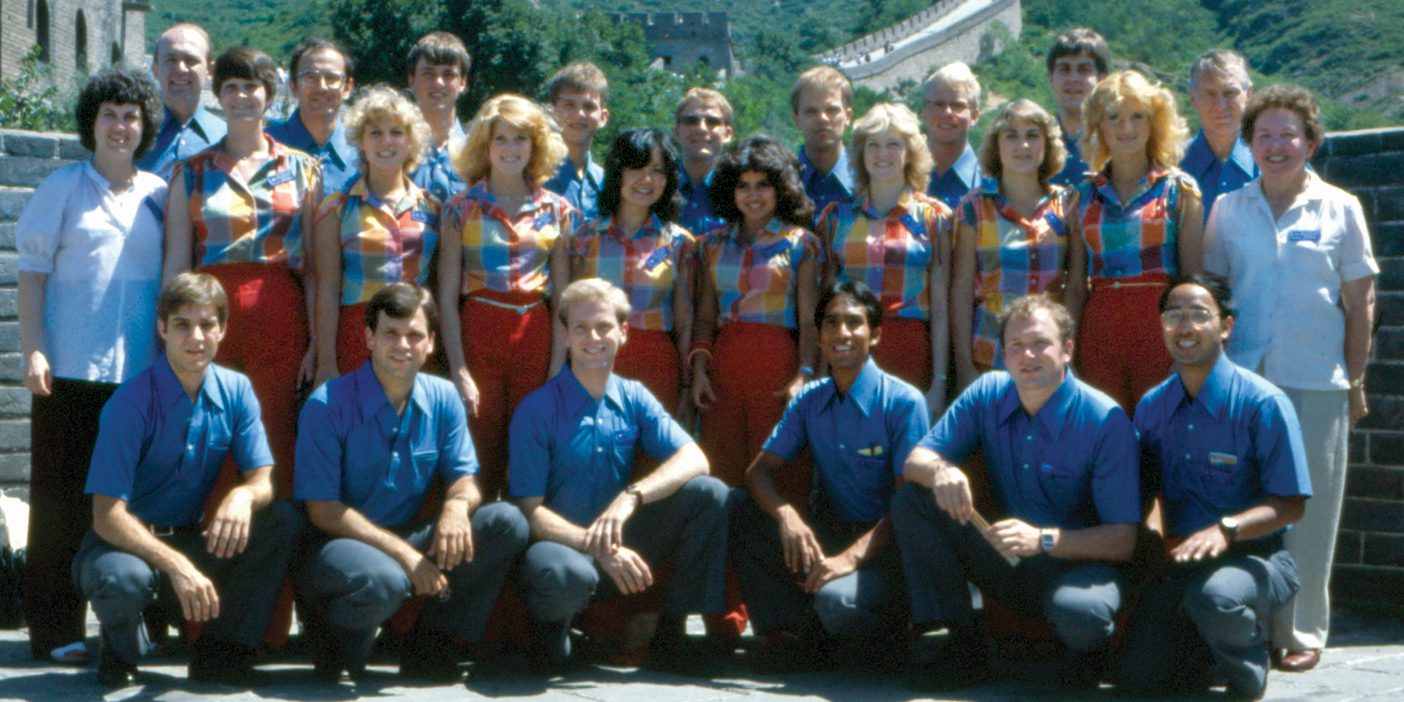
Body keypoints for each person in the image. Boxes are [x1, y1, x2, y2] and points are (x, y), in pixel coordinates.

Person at [1205, 83, 1379, 674]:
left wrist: (1354, 380)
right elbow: (1213, 296)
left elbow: (1362, 305)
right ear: (1250, 144)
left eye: (1288, 134)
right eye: (1264, 135)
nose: (1276, 145)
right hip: (1245, 383)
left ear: (1309, 141)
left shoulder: (1342, 208)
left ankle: (1301, 628)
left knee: (1311, 508)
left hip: (1316, 379)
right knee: (1246, 503)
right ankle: (1244, 621)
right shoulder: (1228, 209)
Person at [891, 294, 1140, 692]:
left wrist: (1043, 540)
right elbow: (913, 461)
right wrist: (942, 470)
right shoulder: (988, 391)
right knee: (915, 500)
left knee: (1082, 614)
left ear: (1068, 349)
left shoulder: (1104, 419)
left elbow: (1124, 541)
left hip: (1080, 566)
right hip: (1008, 557)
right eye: (1016, 346)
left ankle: (1087, 657)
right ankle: (961, 644)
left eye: (1041, 343)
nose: (1028, 355)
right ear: (1003, 354)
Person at [74, 273, 304, 688]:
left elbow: (263, 478)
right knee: (122, 581)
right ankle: (120, 647)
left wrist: (244, 496)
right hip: (123, 546)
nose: (196, 336)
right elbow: (106, 516)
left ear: (223, 330)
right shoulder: (130, 401)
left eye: (207, 324)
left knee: (281, 520)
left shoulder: (236, 390)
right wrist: (176, 565)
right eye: (182, 324)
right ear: (162, 329)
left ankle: (222, 652)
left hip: (191, 539)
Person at [295, 284, 528, 682]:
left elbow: (465, 479)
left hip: (408, 538)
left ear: (431, 343)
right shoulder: (327, 403)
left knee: (506, 522)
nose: (403, 345)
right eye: (390, 333)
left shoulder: (443, 397)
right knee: (382, 580)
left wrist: (456, 507)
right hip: (337, 548)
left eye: (415, 335)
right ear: (368, 337)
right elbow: (322, 510)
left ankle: (433, 643)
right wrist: (406, 557)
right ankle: (333, 639)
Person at [17, 69, 166, 664]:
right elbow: (32, 276)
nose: (120, 125)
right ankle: (55, 632)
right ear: (91, 123)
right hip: (69, 371)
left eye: (130, 115)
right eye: (109, 113)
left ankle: (134, 626)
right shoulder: (62, 188)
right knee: (59, 504)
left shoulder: (161, 192)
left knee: (133, 503)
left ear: (144, 126)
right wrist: (33, 348)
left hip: (139, 376)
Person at [509, 278, 728, 674]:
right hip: (562, 548)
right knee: (562, 573)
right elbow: (528, 510)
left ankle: (669, 628)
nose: (593, 337)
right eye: (581, 328)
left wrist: (633, 496)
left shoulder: (633, 396)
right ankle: (550, 630)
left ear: (624, 333)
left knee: (709, 494)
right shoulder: (537, 409)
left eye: (604, 326)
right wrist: (597, 548)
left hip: (619, 539)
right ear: (564, 335)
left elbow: (695, 457)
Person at [1117, 274, 1310, 700]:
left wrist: (1226, 529)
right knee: (1137, 678)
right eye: (1173, 316)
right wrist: (1154, 539)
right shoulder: (1152, 407)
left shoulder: (1263, 403)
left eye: (1199, 316)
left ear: (1226, 326)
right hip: (1183, 559)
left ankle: (1248, 664)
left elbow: (1291, 505)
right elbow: (1146, 492)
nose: (1184, 327)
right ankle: (1202, 652)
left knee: (1216, 597)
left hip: (1256, 559)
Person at [732, 280, 929, 670]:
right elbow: (759, 474)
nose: (841, 334)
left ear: (875, 335)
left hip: (888, 548)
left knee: (837, 604)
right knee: (737, 507)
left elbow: (909, 505)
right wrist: (787, 517)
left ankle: (873, 637)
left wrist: (849, 559)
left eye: (854, 323)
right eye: (831, 324)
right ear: (819, 337)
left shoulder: (904, 402)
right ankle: (793, 632)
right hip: (831, 531)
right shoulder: (810, 399)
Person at [163, 46, 323, 497]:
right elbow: (177, 260)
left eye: (251, 86)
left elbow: (314, 266)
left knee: (272, 433)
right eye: (231, 87)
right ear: (218, 95)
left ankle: (273, 559)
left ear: (269, 95)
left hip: (279, 315)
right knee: (209, 432)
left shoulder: (304, 170)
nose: (241, 96)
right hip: (207, 314)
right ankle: (210, 551)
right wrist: (168, 332)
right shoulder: (190, 172)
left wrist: (316, 339)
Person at [437, 94, 581, 499]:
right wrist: (459, 369)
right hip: (479, 327)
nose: (510, 149)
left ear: (535, 145)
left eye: (521, 139)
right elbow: (447, 296)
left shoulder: (557, 211)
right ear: (486, 144)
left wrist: (557, 367)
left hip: (534, 330)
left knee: (529, 444)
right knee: (479, 442)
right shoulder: (460, 208)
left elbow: (563, 298)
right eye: (501, 139)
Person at [1069, 69, 1204, 413]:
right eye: (1114, 118)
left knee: (1160, 436)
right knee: (1105, 436)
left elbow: (1192, 280)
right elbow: (1075, 285)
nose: (1126, 128)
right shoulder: (1082, 197)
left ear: (1153, 122)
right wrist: (1067, 348)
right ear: (1099, 126)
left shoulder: (1180, 190)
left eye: (1137, 116)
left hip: (1159, 329)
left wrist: (1189, 347)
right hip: (1099, 331)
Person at [693, 134, 820, 494]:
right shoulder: (711, 245)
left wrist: (804, 374)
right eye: (743, 186)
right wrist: (700, 369)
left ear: (780, 188)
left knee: (779, 467)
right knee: (724, 465)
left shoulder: (801, 244)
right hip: (725, 366)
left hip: (778, 364)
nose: (753, 195)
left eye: (763, 185)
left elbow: (810, 320)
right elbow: (704, 316)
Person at [816, 103, 952, 411]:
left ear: (910, 153)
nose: (883, 154)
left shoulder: (935, 217)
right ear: (861, 155)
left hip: (911, 347)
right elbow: (824, 303)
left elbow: (941, 305)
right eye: (873, 145)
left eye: (894, 144)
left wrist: (940, 382)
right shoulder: (836, 218)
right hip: (849, 343)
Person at [311, 85, 438, 382]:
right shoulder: (336, 209)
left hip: (413, 335)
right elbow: (327, 289)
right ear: (361, 142)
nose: (386, 141)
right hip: (358, 333)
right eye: (375, 133)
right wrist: (327, 361)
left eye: (396, 132)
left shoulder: (433, 208)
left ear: (410, 142)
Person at [951, 99, 1079, 391]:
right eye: (1011, 135)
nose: (1023, 145)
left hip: (1049, 354)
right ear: (997, 145)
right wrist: (964, 367)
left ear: (1047, 144)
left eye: (1032, 135)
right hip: (990, 352)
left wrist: (1072, 354)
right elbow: (961, 291)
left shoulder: (1068, 205)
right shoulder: (974, 207)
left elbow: (1074, 286)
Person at [569, 128, 694, 413]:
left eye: (657, 170)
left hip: (656, 364)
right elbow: (571, 313)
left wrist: (686, 384)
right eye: (636, 168)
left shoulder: (679, 243)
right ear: (618, 172)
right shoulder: (585, 238)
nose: (646, 179)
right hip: (595, 358)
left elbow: (685, 321)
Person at [266, 37, 358, 196]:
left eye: (332, 78)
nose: (322, 87)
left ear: (347, 88)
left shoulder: (365, 152)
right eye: (310, 78)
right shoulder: (264, 147)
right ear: (293, 86)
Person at [137, 23, 226, 179]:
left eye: (191, 60)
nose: (180, 69)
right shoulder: (132, 133)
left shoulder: (227, 138)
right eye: (170, 59)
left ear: (209, 71)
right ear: (156, 69)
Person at [1181, 49, 1258, 220]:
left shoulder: (1275, 161)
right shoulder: (1171, 166)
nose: (1220, 105)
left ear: (1249, 94)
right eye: (1209, 94)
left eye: (1230, 92)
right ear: (1193, 98)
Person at [406, 31, 471, 204]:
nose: (439, 82)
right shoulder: (393, 147)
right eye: (429, 74)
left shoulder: (480, 150)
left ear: (463, 82)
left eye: (449, 75)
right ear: (411, 80)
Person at [543, 62, 610, 219]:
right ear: (553, 112)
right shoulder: (535, 176)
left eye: (589, 107)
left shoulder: (607, 183)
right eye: (569, 105)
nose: (579, 114)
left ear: (603, 117)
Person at [1045, 28, 1108, 187]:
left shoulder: (1117, 144)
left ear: (1102, 79)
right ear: (1051, 79)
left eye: (1084, 70)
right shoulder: (1034, 144)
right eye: (1064, 69)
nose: (1073, 79)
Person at [791, 66, 855, 217]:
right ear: (796, 120)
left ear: (847, 116)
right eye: (811, 112)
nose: (822, 118)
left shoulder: (870, 180)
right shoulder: (778, 184)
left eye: (832, 110)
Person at [921, 61, 983, 209]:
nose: (947, 113)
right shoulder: (900, 178)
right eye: (938, 104)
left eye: (957, 106)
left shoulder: (991, 184)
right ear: (924, 112)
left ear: (974, 116)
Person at [673, 87, 735, 236]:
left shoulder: (739, 190)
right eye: (691, 121)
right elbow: (651, 247)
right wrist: (657, 260)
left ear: (727, 134)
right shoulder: (660, 187)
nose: (701, 128)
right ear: (677, 132)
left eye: (712, 121)